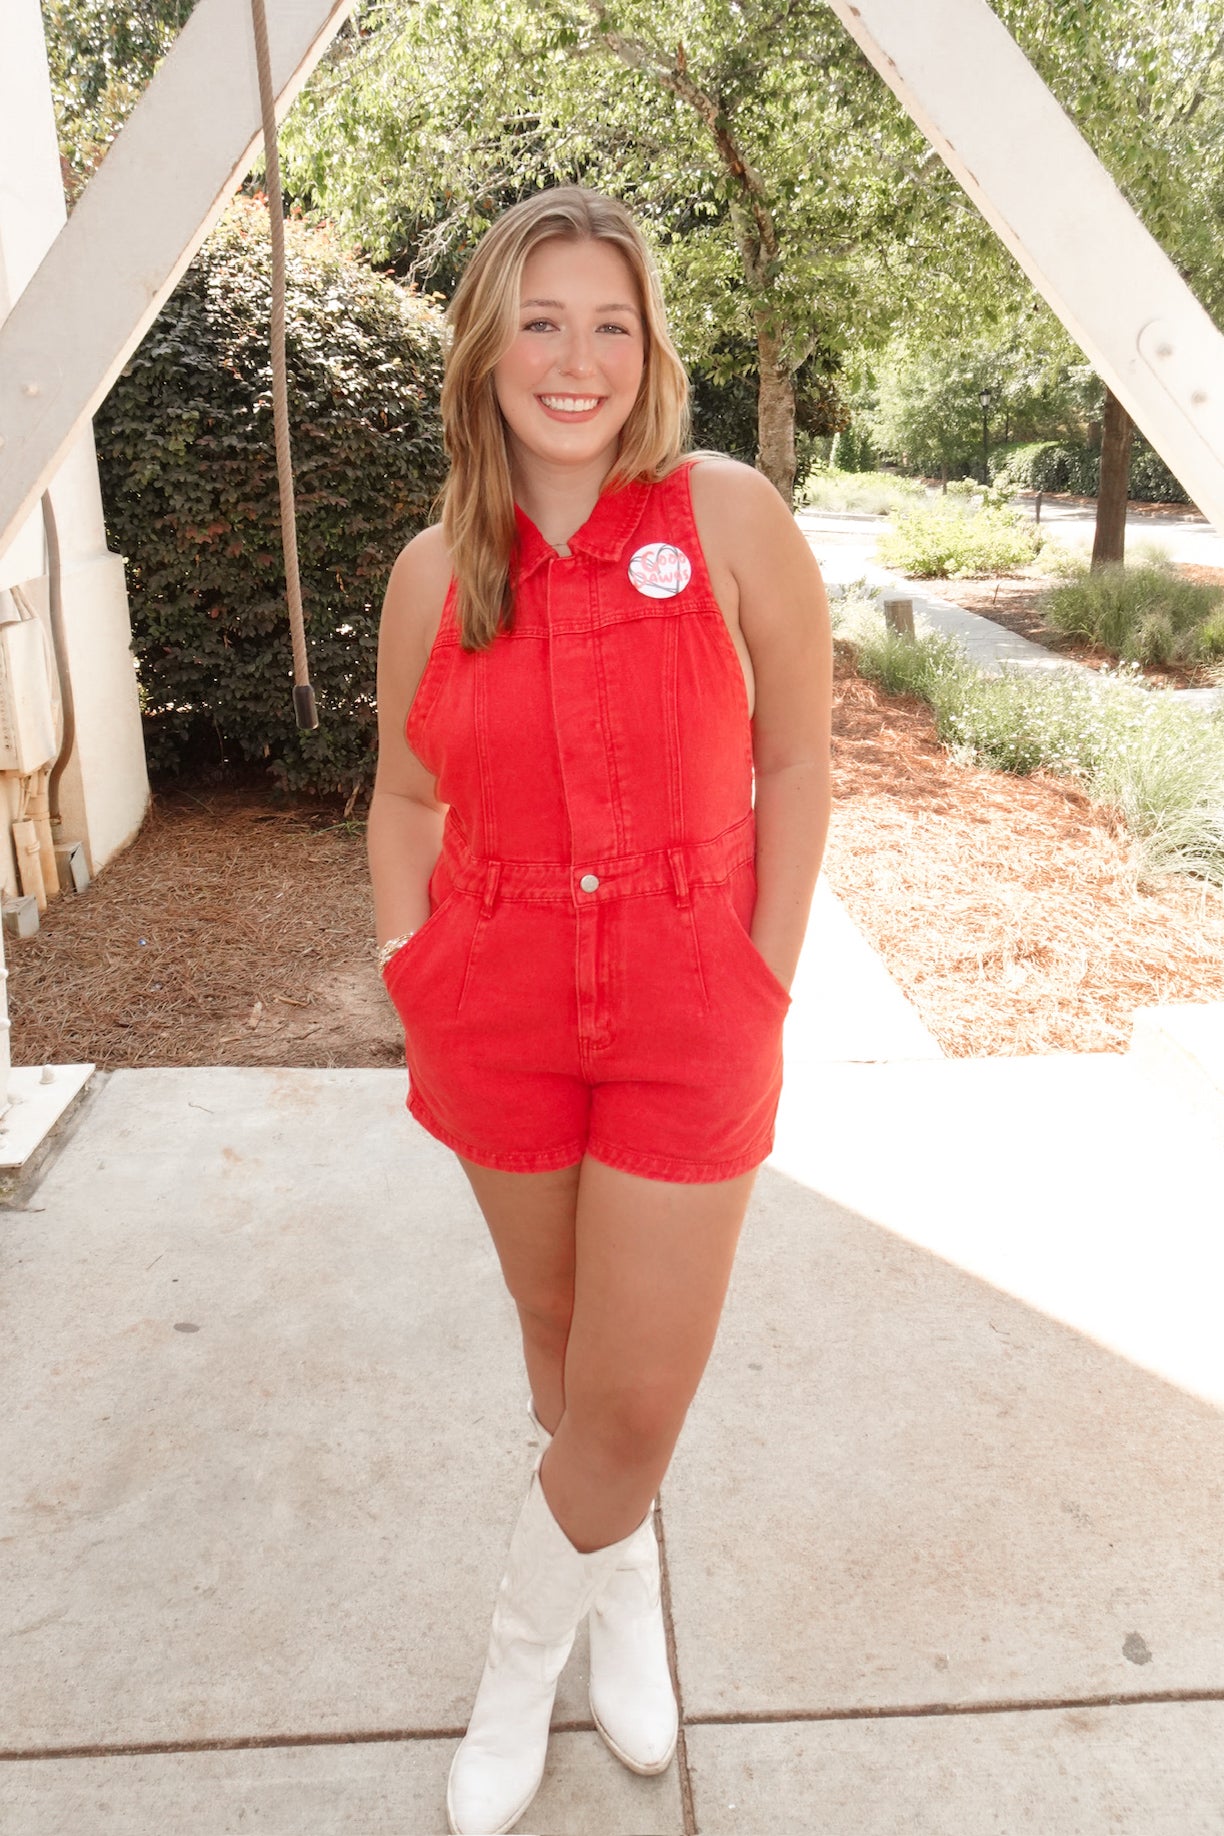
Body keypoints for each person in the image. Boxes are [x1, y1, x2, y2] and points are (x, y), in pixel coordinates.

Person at [367, 184, 832, 1836]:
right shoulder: (438, 569)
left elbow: (795, 755)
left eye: (611, 324)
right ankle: (620, 1601)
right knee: (568, 1360)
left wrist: (764, 974)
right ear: (489, 345)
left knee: (632, 1399)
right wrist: (415, 975)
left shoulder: (724, 516)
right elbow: (405, 802)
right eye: (542, 321)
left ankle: (512, 1679)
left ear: (651, 353)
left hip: (689, 1007)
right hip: (494, 1011)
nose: (576, 359)